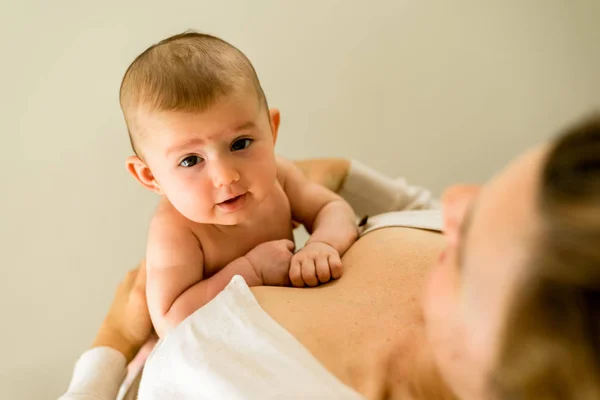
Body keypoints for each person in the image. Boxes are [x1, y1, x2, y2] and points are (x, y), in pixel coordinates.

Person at [61, 115, 600, 399]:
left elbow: (161, 320)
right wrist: (324, 182)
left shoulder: (222, 378)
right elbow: (422, 206)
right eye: (191, 159)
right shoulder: (446, 235)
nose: (459, 198)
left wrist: (109, 344)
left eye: (475, 232)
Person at [119, 32, 357, 337]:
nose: (225, 176)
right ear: (150, 176)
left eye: (240, 143)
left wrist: (323, 243)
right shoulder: (176, 231)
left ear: (271, 130)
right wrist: (250, 271)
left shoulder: (279, 177)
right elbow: (171, 320)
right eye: (191, 160)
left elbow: (333, 208)